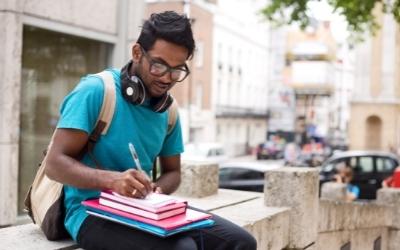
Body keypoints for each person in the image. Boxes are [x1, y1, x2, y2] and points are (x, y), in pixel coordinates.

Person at [45, 11, 256, 250]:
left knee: (242, 243)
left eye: (177, 70)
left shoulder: (169, 111)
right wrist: (113, 180)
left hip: (144, 209)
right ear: (137, 53)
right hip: (89, 212)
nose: (168, 78)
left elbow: (173, 172)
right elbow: (55, 164)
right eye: (159, 65)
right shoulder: (96, 91)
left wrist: (156, 189)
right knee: (182, 248)